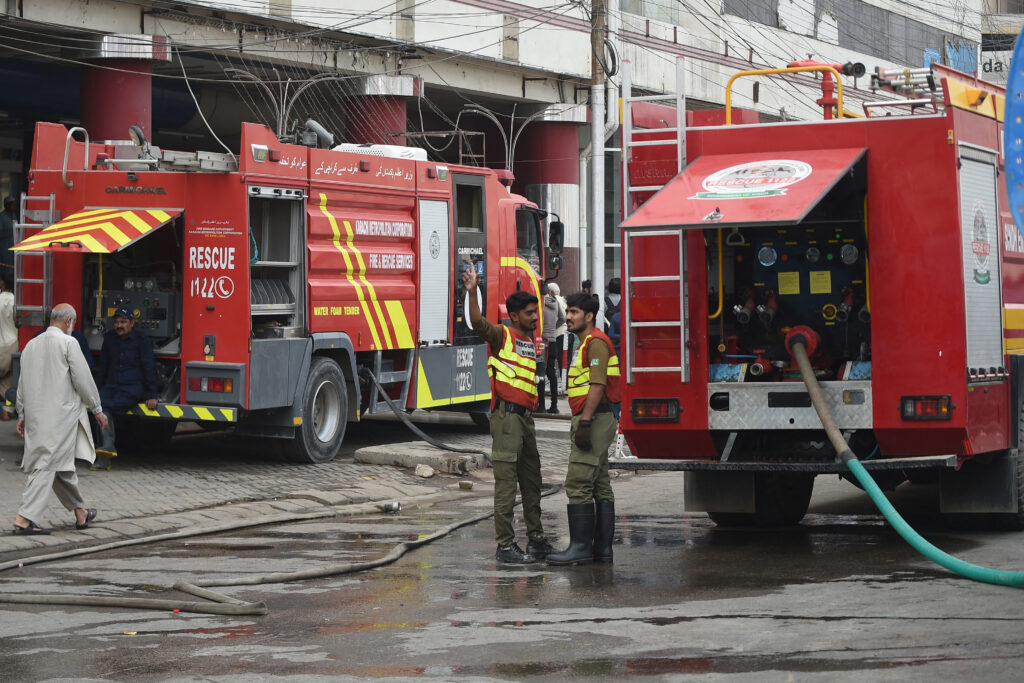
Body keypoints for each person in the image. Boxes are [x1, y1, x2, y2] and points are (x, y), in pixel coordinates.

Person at [464, 267, 553, 564]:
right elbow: (477, 322)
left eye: (534, 312)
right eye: (529, 313)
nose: (535, 317)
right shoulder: (502, 335)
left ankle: (537, 540)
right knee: (506, 483)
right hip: (507, 420)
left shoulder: (528, 341)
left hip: (525, 420)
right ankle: (505, 546)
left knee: (531, 480)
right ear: (514, 316)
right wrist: (472, 291)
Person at [11, 303, 106, 535]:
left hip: (36, 417)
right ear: (68, 322)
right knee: (47, 464)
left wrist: (21, 414)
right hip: (60, 417)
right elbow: (83, 379)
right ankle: (24, 518)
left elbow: (21, 385)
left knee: (61, 467)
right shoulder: (68, 343)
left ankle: (80, 512)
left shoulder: (31, 345)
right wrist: (97, 408)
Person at [547, 292, 621, 566]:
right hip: (598, 417)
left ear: (589, 317)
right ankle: (602, 550)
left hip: (595, 418)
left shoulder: (596, 343)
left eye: (574, 312)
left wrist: (586, 421)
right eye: (569, 311)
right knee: (600, 483)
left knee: (578, 481)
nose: (568, 317)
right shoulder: (587, 342)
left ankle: (580, 548)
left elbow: (598, 385)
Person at [93, 307, 158, 470]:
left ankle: (105, 452)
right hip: (112, 385)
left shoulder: (142, 340)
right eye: (116, 322)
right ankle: (106, 450)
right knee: (98, 407)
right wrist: (95, 391)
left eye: (123, 322)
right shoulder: (109, 339)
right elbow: (103, 367)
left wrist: (152, 394)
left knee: (107, 407)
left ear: (132, 323)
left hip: (132, 388)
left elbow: (149, 367)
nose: (119, 325)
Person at [539, 283, 565, 413]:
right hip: (553, 340)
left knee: (541, 372)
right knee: (552, 373)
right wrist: (552, 329)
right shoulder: (556, 302)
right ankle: (554, 406)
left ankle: (541, 405)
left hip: (543, 341)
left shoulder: (541, 303)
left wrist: (544, 331)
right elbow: (562, 318)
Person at [0, 278, 16, 419]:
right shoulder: (16, 301)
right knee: (8, 380)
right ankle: (6, 411)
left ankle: (5, 412)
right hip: (12, 344)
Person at [549, 283, 568, 392]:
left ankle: (564, 385)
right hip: (569, 333)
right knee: (566, 361)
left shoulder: (552, 300)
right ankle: (566, 385)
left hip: (559, 332)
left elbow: (561, 318)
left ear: (551, 292)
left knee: (560, 359)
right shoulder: (563, 300)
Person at [0, 197, 14, 290]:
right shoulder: (1, 217)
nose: (15, 207)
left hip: (13, 251)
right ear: (7, 206)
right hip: (5, 251)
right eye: (13, 205)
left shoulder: (14, 216)